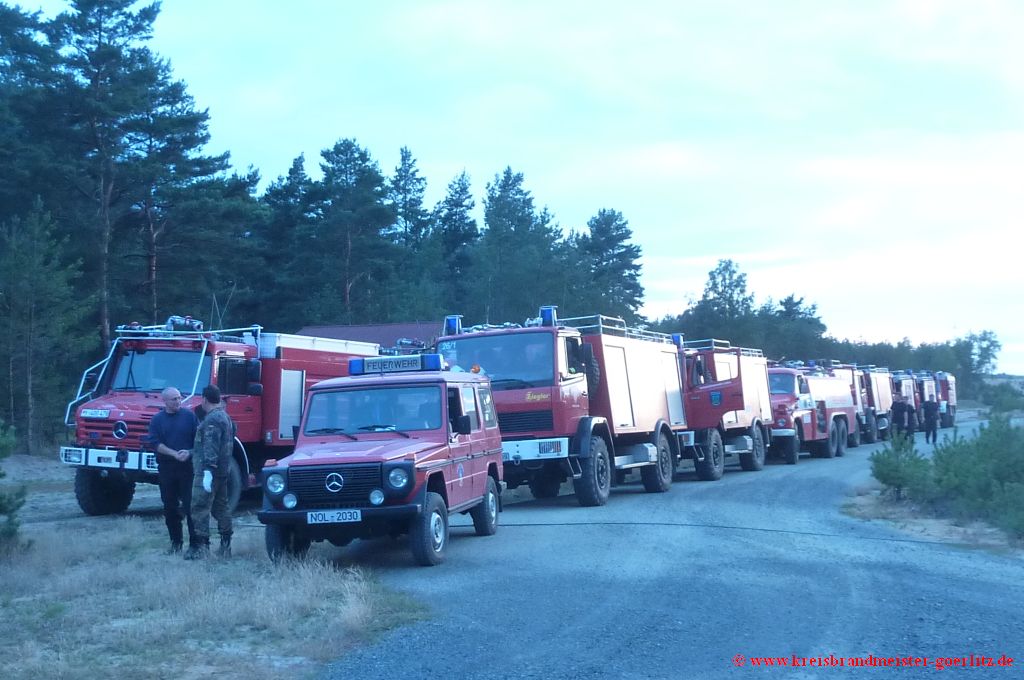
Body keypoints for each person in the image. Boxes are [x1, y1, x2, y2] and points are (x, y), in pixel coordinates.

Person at [185, 385, 236, 560]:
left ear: (204, 399)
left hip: (208, 472)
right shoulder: (225, 417)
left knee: (199, 508)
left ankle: (202, 547)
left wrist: (207, 471)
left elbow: (211, 447)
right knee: (221, 507)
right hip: (222, 471)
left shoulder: (212, 420)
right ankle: (225, 545)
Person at [147, 387, 199, 554]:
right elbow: (155, 443)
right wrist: (174, 454)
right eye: (173, 399)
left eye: (179, 398)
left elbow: (198, 441)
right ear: (165, 402)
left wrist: (188, 453)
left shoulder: (189, 416)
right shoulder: (157, 420)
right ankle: (176, 543)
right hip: (167, 468)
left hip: (187, 468)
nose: (178, 402)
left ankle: (194, 544)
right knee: (170, 506)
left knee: (190, 505)